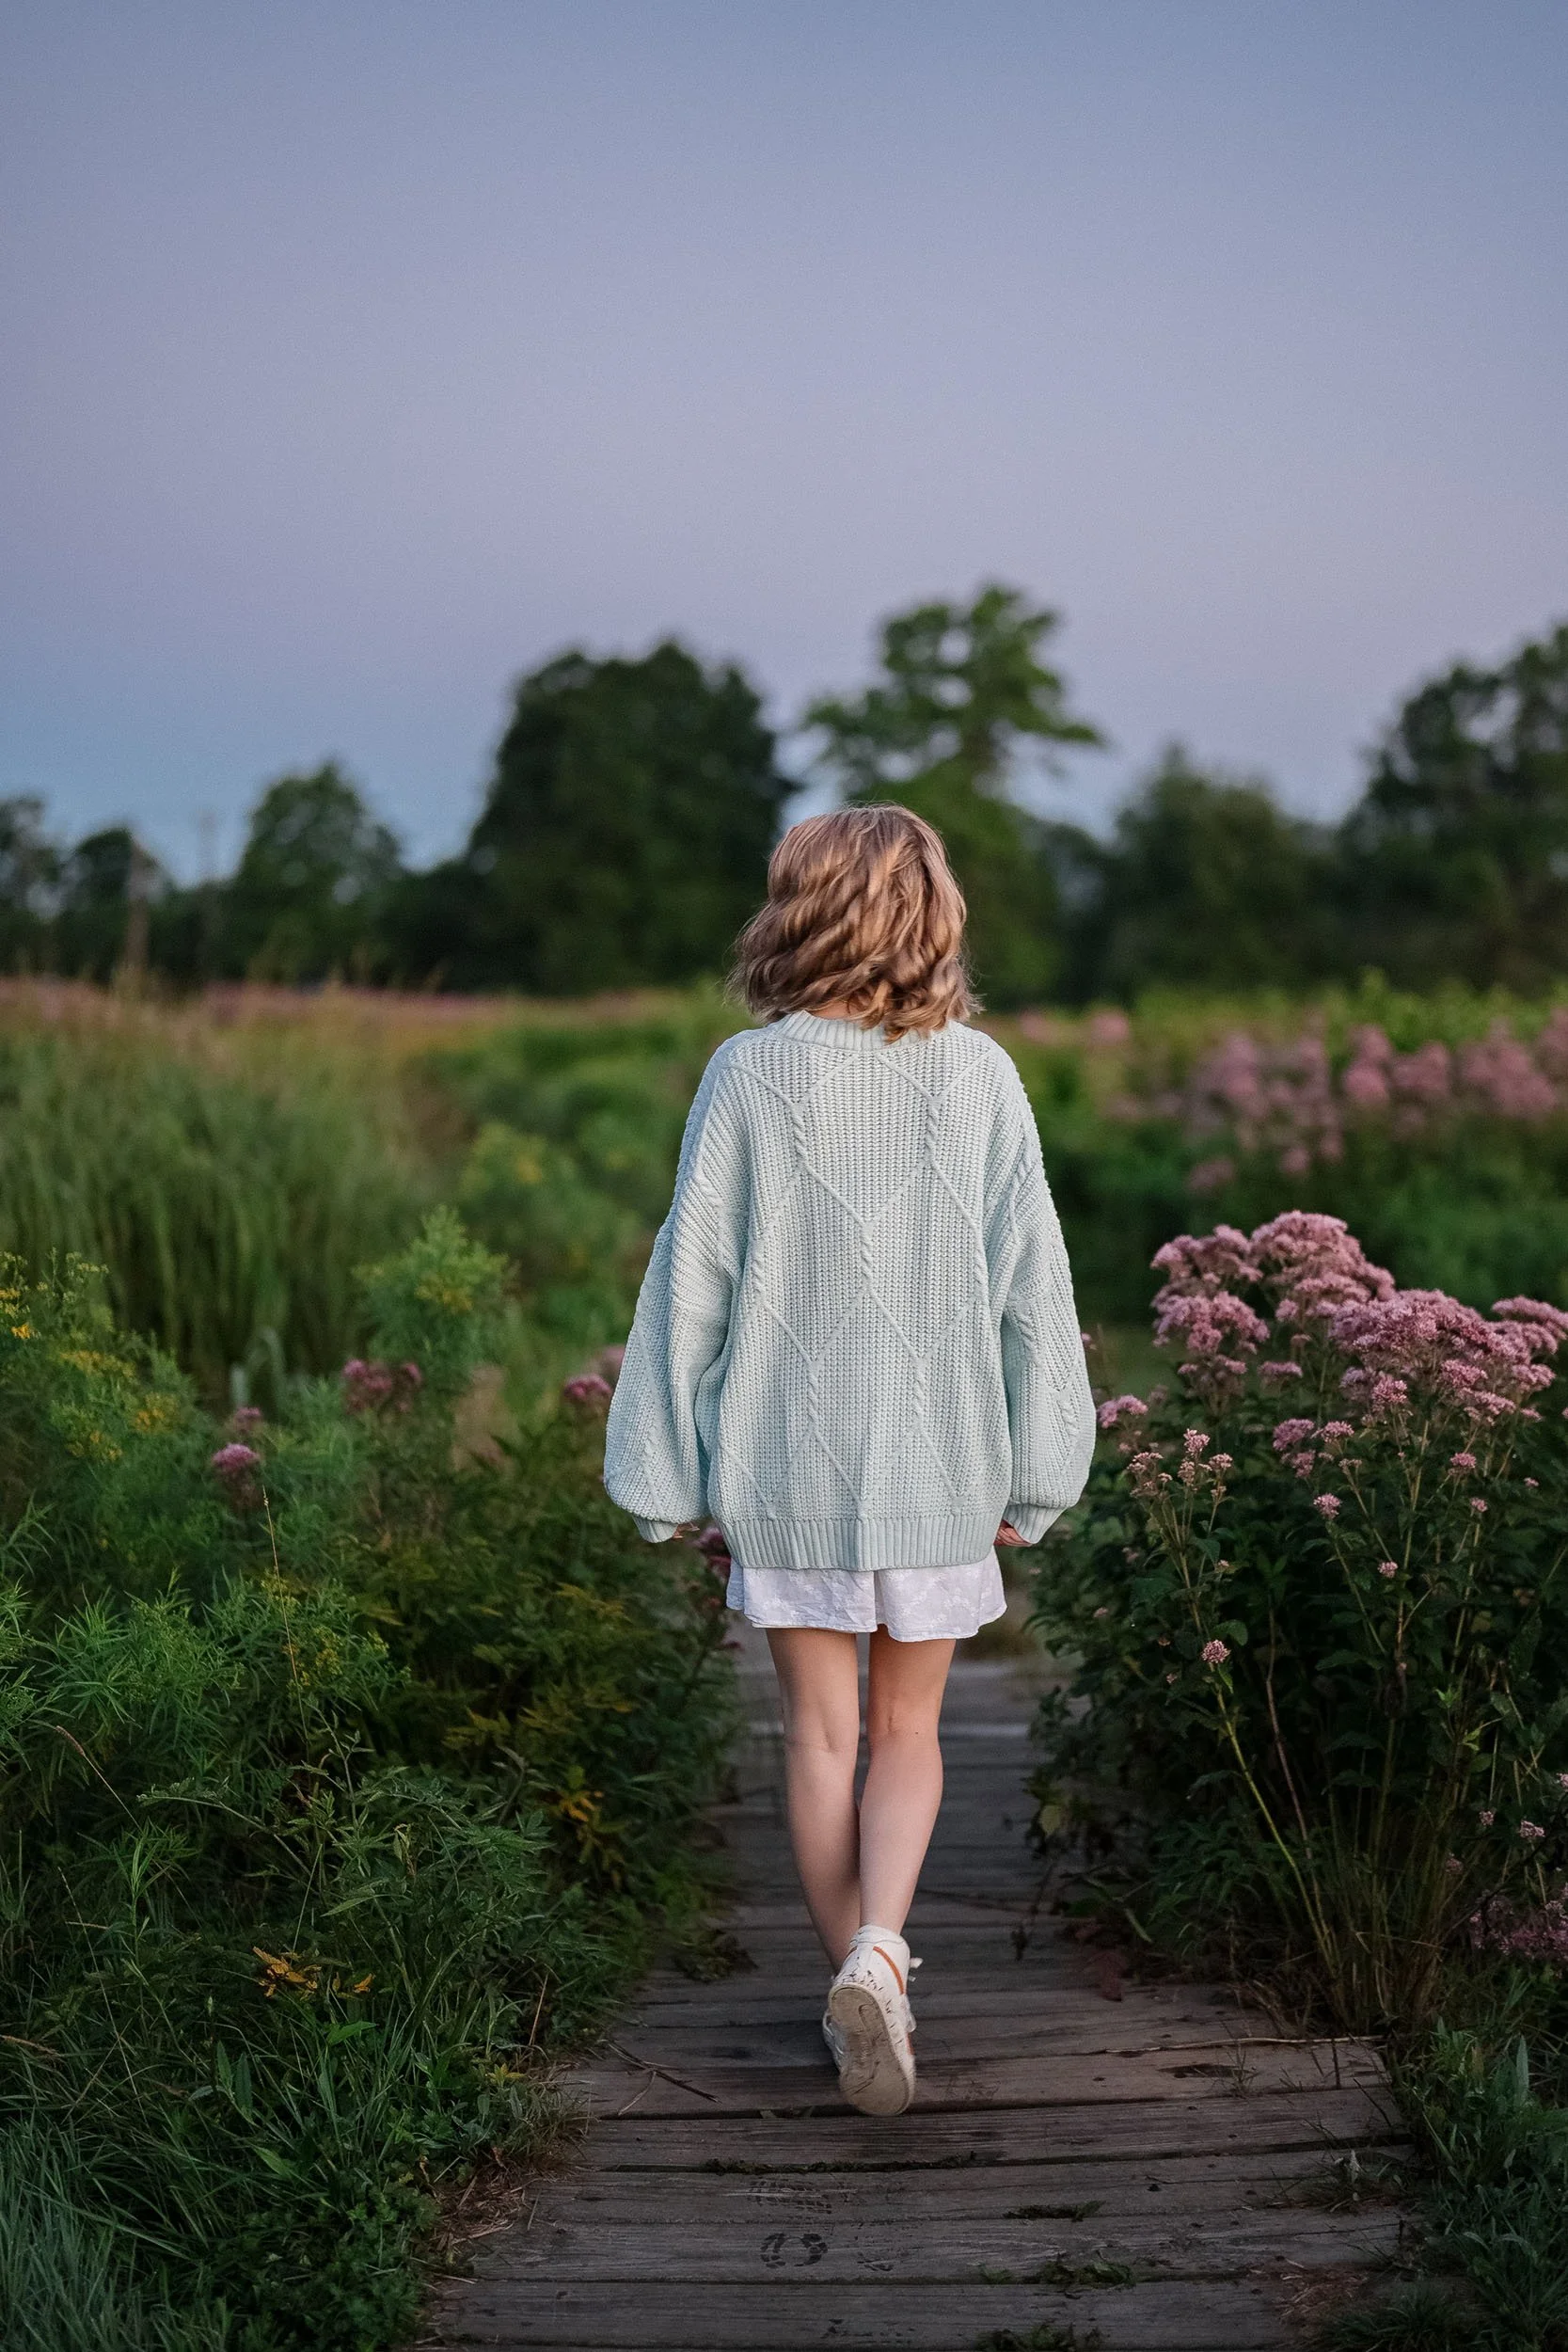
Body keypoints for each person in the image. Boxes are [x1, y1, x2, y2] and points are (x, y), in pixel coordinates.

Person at [604, 804, 1095, 2115]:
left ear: (797, 911)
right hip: (940, 1462)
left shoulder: (745, 1073)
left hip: (785, 1468)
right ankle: (882, 1956)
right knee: (910, 1730)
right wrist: (1037, 1465)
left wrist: (668, 1474)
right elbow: (1028, 1287)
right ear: (934, 916)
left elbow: (687, 1282)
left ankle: (858, 1988)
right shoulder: (981, 1076)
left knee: (818, 1738)